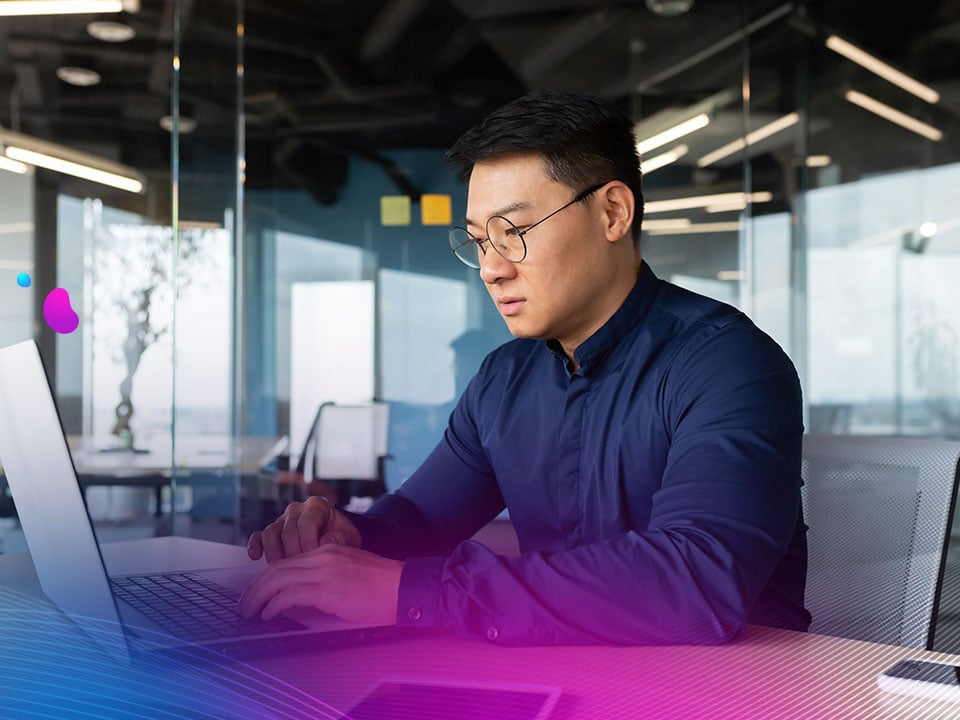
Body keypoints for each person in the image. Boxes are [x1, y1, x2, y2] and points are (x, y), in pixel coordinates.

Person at [239, 89, 811, 646]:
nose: (491, 269)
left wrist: (413, 590)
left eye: (512, 233)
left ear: (613, 212)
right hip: (570, 675)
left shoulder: (727, 363)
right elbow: (421, 520)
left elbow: (697, 581)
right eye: (478, 241)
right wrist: (349, 536)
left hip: (733, 686)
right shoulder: (504, 379)